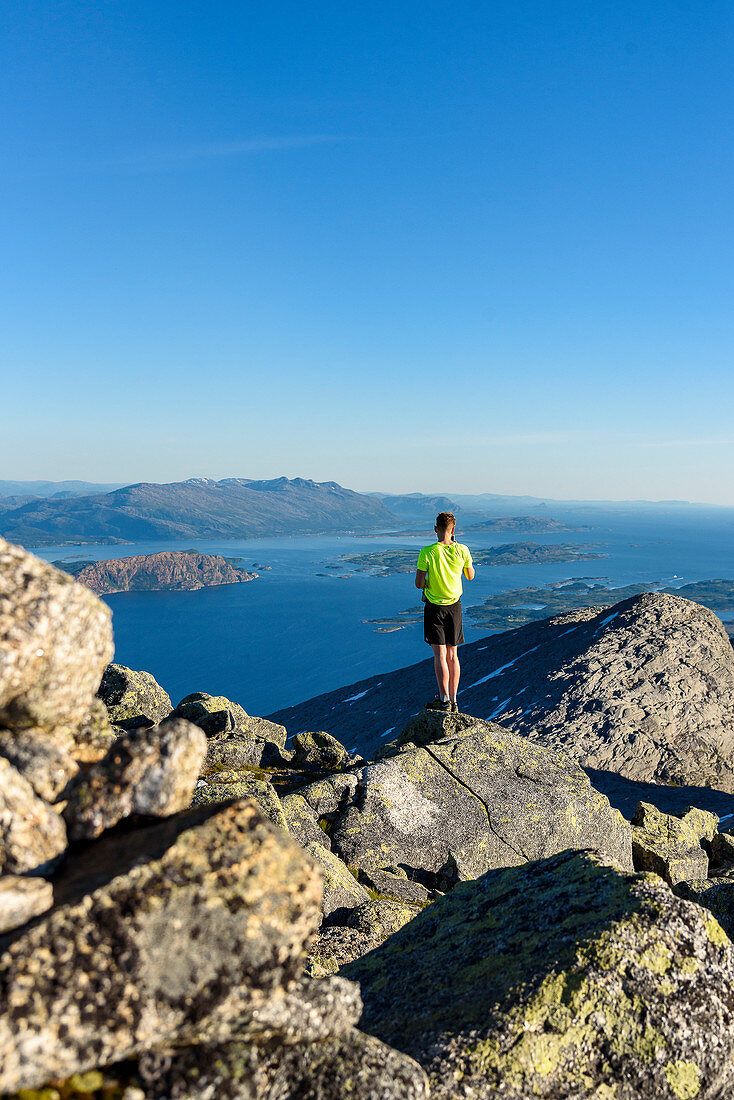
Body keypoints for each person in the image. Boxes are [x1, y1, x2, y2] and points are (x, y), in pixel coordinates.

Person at [414, 511, 475, 713]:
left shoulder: (427, 552)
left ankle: (444, 700)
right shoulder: (463, 550)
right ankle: (455, 701)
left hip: (435, 608)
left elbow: (418, 583)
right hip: (454, 607)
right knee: (453, 655)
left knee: (439, 655)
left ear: (435, 529)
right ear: (453, 529)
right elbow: (470, 576)